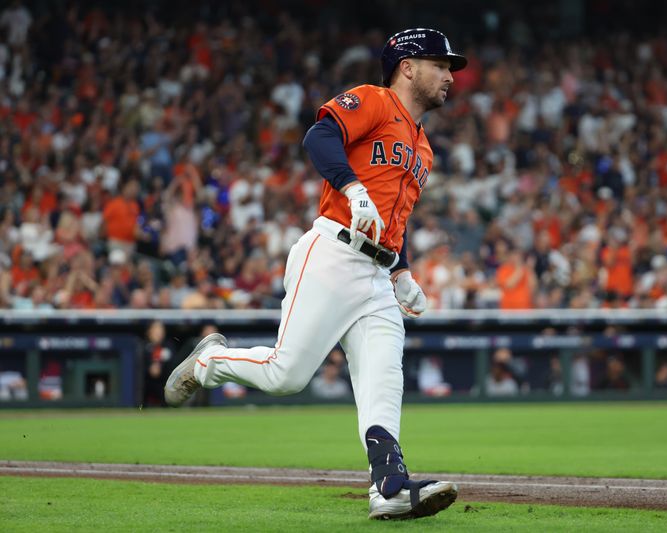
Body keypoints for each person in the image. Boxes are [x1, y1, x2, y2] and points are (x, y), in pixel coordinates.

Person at [165, 28, 466, 520]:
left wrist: (403, 271)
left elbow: (396, 217)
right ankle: (209, 362)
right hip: (332, 253)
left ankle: (388, 485)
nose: (450, 75)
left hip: (376, 275)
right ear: (407, 66)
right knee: (286, 375)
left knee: (383, 377)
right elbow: (319, 136)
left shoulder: (424, 147)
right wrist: (352, 188)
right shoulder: (374, 99)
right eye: (440, 64)